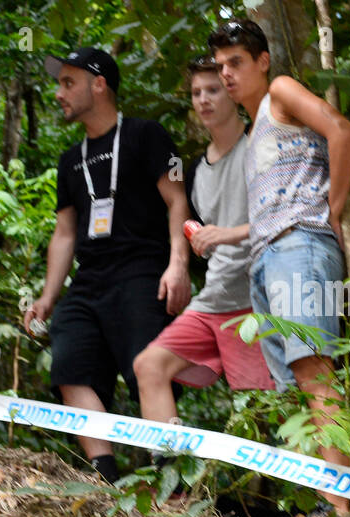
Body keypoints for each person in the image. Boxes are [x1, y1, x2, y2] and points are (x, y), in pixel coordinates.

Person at [209, 19, 350, 517]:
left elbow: (342, 130)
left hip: (301, 244)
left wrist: (333, 209)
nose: (227, 75)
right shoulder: (253, 136)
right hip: (267, 257)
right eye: (220, 65)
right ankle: (324, 505)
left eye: (236, 63)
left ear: (263, 61)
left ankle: (339, 511)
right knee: (295, 383)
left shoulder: (280, 92)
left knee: (314, 372)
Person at [24, 48, 191, 483]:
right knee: (69, 367)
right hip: (89, 277)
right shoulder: (69, 159)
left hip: (142, 271)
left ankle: (170, 482)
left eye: (68, 82)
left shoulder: (146, 135)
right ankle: (105, 477)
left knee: (148, 372)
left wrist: (178, 265)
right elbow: (64, 233)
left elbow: (178, 200)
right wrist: (47, 296)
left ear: (99, 84)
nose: (59, 92)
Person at [133, 55, 274, 431]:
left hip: (256, 303)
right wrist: (180, 259)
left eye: (213, 90)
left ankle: (302, 491)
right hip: (213, 299)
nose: (203, 100)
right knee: (149, 365)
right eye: (196, 93)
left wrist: (230, 233)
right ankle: (174, 485)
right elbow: (183, 217)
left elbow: (288, 216)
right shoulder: (193, 169)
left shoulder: (262, 144)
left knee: (264, 412)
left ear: (232, 92)